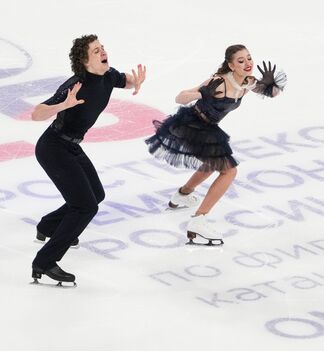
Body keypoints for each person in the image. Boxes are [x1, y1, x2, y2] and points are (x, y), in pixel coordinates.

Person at [30, 34, 146, 285]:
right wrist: (63, 105)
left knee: (96, 195)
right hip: (53, 147)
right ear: (84, 61)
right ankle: (45, 261)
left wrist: (134, 82)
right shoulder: (75, 85)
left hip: (71, 146)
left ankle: (48, 226)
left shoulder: (107, 75)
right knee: (85, 206)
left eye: (102, 48)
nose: (103, 51)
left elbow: (122, 80)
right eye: (96, 51)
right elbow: (36, 113)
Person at [145, 44, 286, 246]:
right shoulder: (219, 82)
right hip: (192, 125)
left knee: (213, 164)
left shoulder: (248, 82)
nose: (247, 63)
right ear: (231, 65)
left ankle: (182, 195)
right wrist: (201, 93)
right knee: (229, 171)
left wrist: (273, 85)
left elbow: (270, 93)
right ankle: (199, 221)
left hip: (208, 127)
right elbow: (180, 97)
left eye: (249, 58)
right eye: (241, 61)